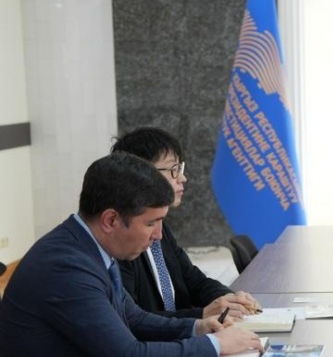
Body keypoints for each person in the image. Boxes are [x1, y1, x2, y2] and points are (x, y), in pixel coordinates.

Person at [0, 153, 263, 357]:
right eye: (150, 223)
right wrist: (214, 347)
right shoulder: (66, 267)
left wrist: (198, 327)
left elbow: (133, 317)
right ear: (111, 220)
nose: (159, 235)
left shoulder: (90, 247)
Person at [111, 127, 261, 318]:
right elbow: (137, 320)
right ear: (141, 174)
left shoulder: (162, 229)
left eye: (180, 169)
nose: (183, 178)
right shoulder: (122, 241)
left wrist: (230, 299)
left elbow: (195, 281)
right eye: (173, 170)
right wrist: (202, 316)